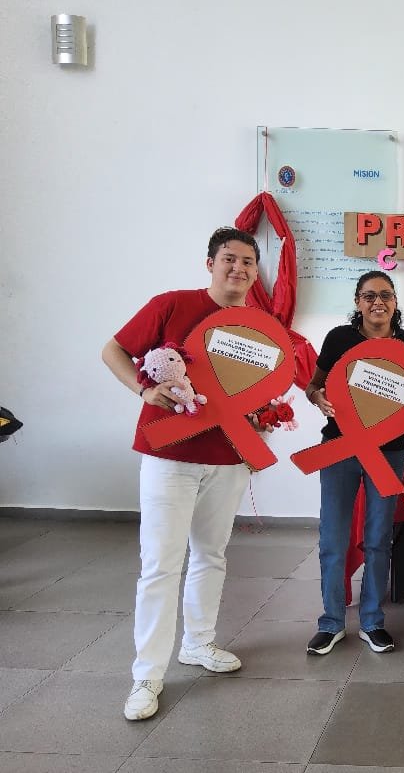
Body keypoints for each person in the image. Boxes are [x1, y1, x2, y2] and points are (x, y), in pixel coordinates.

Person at [102, 227, 265, 721]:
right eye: (229, 259)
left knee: (211, 555)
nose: (238, 268)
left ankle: (198, 643)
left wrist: (262, 413)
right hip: (168, 454)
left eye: (248, 262)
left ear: (255, 273)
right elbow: (113, 350)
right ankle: (147, 675)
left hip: (228, 458)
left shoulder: (257, 327)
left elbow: (261, 386)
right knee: (160, 564)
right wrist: (142, 390)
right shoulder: (172, 304)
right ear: (210, 263)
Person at [305, 270, 404, 657]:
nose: (378, 302)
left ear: (395, 302)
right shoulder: (339, 338)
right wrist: (317, 398)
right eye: (369, 295)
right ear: (357, 302)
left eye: (386, 295)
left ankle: (372, 622)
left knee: (379, 538)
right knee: (333, 538)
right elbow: (314, 385)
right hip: (340, 447)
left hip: (389, 450)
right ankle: (331, 623)